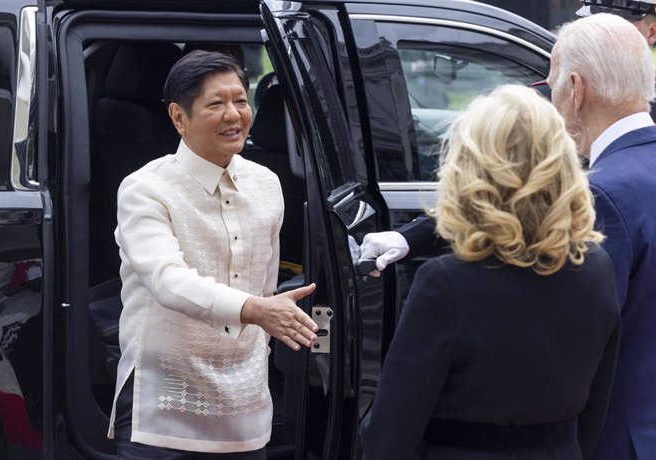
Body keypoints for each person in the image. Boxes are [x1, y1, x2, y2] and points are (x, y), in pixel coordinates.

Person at [359, 84, 621, 460]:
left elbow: (391, 434)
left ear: (469, 169)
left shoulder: (447, 284)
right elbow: (595, 413)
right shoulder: (597, 268)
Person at [107, 50, 319, 459]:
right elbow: (168, 281)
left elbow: (265, 283)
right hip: (165, 412)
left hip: (247, 411)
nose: (234, 114)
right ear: (178, 117)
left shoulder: (268, 184)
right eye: (216, 104)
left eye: (240, 100)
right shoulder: (145, 188)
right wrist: (256, 309)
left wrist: (262, 311)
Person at [359, 0, 656, 271]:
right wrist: (411, 237)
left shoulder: (615, 167)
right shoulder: (541, 104)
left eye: (616, 27)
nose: (606, 37)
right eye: (597, 24)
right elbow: (496, 189)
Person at [547, 13, 656, 460]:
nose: (550, 96)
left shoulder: (601, 193)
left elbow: (576, 345)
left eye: (551, 84)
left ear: (576, 89)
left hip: (617, 440)